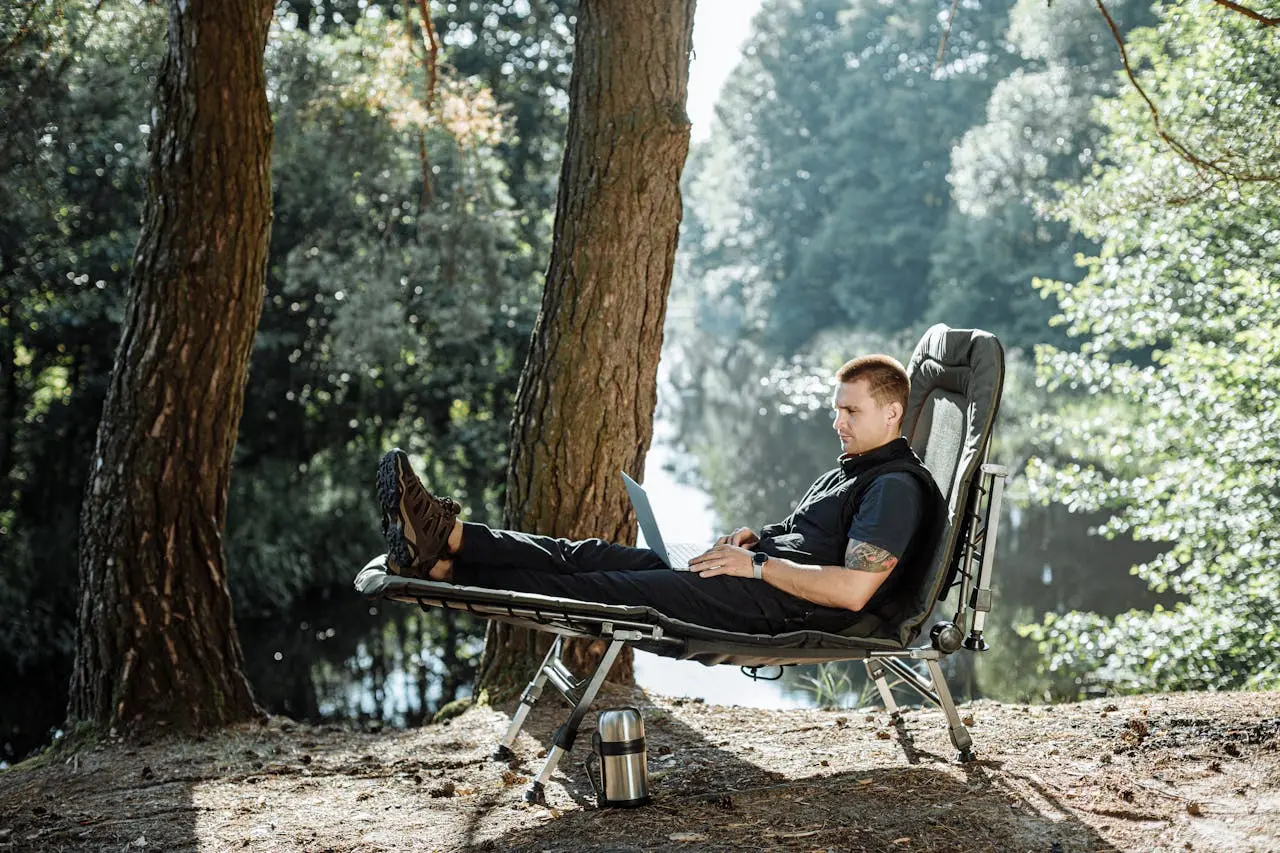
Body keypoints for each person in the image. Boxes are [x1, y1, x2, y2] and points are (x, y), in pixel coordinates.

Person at [375, 355, 946, 636]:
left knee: (605, 591)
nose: (838, 421)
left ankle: (445, 575)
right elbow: (813, 540)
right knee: (587, 555)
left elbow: (851, 591)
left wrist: (756, 564)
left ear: (892, 412)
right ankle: (447, 535)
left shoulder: (893, 488)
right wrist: (759, 540)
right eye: (835, 409)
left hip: (780, 606)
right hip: (755, 578)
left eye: (852, 411)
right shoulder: (857, 467)